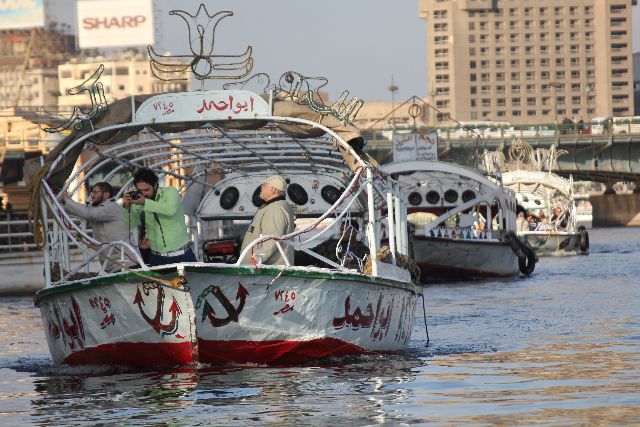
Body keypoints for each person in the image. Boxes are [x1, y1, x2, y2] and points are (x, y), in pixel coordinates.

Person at [123, 168, 196, 266]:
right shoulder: (138, 201)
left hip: (182, 254)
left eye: (146, 190)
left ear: (155, 185)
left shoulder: (170, 192)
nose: (144, 194)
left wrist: (145, 202)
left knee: (192, 281)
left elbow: (170, 210)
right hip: (157, 257)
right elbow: (130, 225)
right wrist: (127, 207)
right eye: (140, 191)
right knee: (158, 282)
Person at [62, 182, 130, 272]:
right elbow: (85, 210)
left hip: (124, 264)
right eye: (92, 192)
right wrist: (65, 199)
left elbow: (88, 213)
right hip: (116, 265)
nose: (92, 195)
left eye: (95, 192)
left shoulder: (111, 207)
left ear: (106, 195)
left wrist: (65, 200)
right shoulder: (101, 209)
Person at [240, 175, 295, 265]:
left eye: (264, 185)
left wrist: (255, 260)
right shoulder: (275, 206)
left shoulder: (275, 209)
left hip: (265, 272)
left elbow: (272, 239)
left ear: (272, 189)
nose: (261, 187)